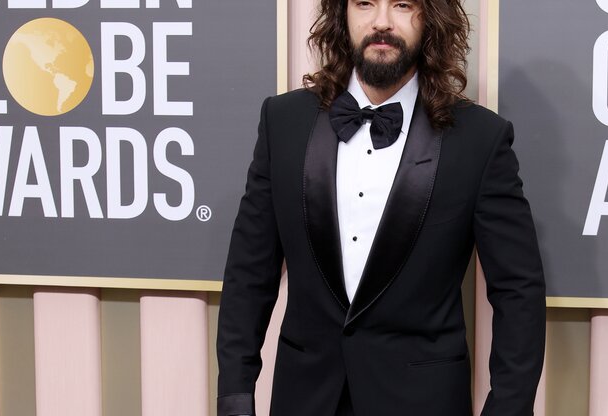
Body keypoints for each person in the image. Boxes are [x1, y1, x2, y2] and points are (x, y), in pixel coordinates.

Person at [216, 0, 545, 415]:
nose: (382, 22)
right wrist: (235, 397)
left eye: (403, 4)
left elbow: (519, 292)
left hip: (422, 401)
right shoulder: (283, 122)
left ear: (430, 18)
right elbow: (249, 274)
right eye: (365, 3)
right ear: (343, 14)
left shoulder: (480, 140)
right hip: (304, 399)